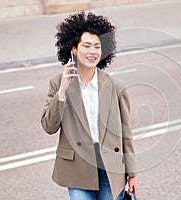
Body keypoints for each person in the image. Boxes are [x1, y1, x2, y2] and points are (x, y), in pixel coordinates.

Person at [41, 11, 137, 200]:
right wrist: (63, 91)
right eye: (86, 46)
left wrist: (132, 173)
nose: (92, 52)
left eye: (97, 47)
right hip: (78, 166)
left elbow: (126, 133)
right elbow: (48, 126)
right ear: (74, 49)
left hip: (110, 166)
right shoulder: (58, 83)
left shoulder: (116, 86)